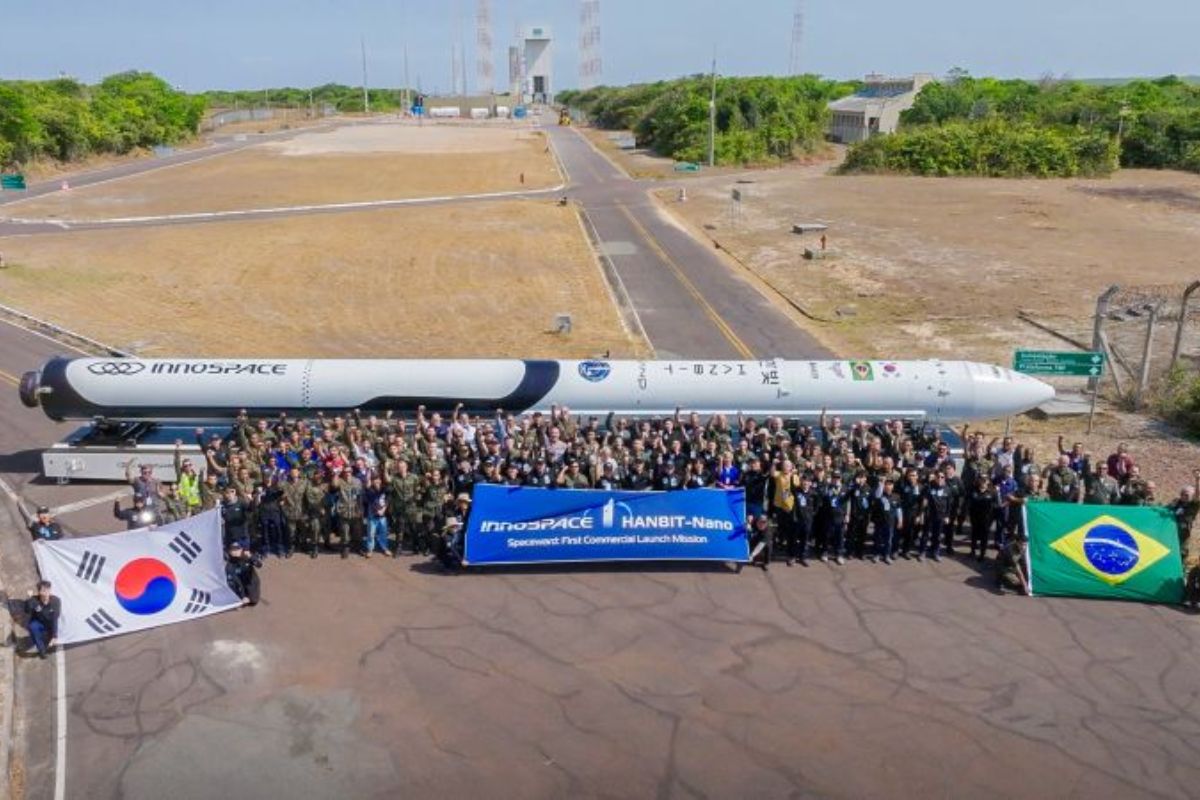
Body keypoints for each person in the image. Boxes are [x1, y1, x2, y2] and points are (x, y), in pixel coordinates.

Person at [24, 581, 61, 658]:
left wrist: (55, 635)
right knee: (32, 626)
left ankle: (50, 637)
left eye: (48, 589)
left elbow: (55, 619)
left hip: (50, 623)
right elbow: (27, 611)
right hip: (39, 622)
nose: (47, 592)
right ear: (39, 592)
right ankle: (41, 650)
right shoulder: (34, 600)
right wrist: (29, 599)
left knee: (51, 641)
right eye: (44, 590)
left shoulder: (56, 601)